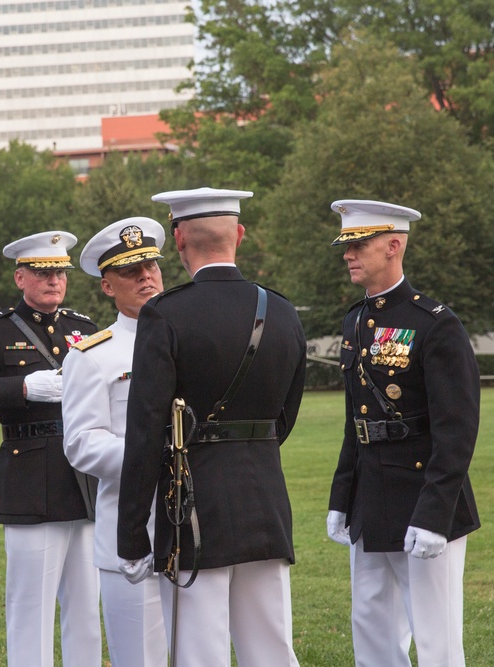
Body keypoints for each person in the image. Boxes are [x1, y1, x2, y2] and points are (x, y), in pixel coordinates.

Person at [118, 188, 306, 667]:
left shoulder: (165, 314)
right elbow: (286, 415)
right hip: (264, 495)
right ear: (239, 235)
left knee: (199, 650)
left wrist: (131, 535)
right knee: (271, 647)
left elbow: (145, 430)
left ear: (179, 240)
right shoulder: (282, 311)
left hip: (193, 505)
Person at [325, 200, 480, 667]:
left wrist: (434, 514)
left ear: (393, 245)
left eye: (359, 244)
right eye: (346, 245)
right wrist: (340, 497)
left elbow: (456, 431)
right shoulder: (354, 321)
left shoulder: (435, 324)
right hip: (370, 500)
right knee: (371, 625)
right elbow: (357, 421)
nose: (348, 254)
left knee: (436, 638)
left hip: (422, 496)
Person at [0, 231, 101, 667]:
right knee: (31, 606)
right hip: (30, 479)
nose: (54, 280)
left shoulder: (84, 329)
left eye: (60, 273)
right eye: (42, 272)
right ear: (21, 277)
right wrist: (23, 388)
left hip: (84, 476)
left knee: (87, 608)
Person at [62, 217, 167, 667]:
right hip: (132, 525)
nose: (146, 276)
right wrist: (154, 457)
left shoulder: (193, 340)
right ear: (107, 287)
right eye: (130, 270)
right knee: (139, 657)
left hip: (199, 523)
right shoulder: (92, 355)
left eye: (151, 266)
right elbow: (82, 443)